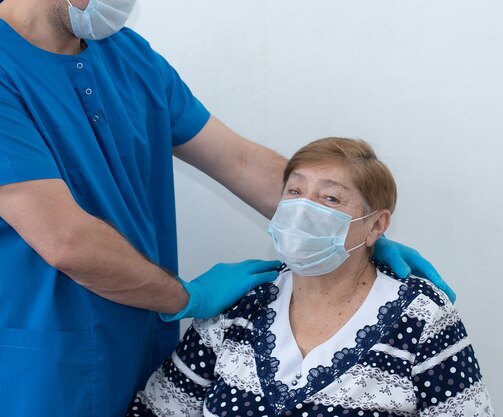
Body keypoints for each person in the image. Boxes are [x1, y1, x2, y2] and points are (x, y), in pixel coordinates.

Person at [0, 1, 454, 417]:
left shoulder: (129, 57)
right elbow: (65, 240)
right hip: (44, 364)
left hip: (141, 345)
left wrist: (347, 227)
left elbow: (238, 161)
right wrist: (188, 298)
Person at [127, 138, 493, 417]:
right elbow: (158, 411)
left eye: (331, 198)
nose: (304, 210)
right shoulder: (240, 303)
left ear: (376, 225)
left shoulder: (421, 316)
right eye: (295, 192)